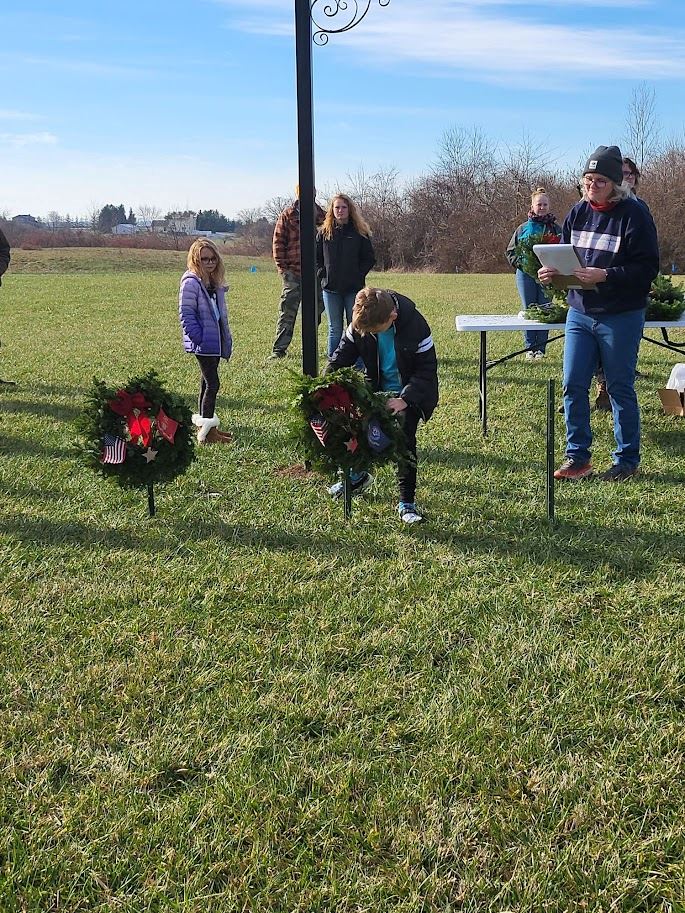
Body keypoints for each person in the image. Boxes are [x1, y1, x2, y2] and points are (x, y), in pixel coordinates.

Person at [538, 145, 659, 482]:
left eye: (600, 180)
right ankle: (577, 458)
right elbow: (568, 257)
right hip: (579, 311)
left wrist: (606, 275)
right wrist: (553, 274)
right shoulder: (577, 212)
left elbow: (648, 267)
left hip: (620, 314)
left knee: (620, 386)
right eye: (588, 179)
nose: (592, 186)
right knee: (572, 384)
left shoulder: (634, 215)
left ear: (616, 184)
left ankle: (626, 461)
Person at [325, 287, 438, 523]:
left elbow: (426, 371)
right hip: (374, 389)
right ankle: (356, 477)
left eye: (374, 332)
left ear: (392, 317)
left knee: (404, 445)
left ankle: (407, 503)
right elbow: (340, 359)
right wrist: (322, 387)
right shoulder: (361, 322)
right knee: (359, 433)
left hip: (409, 394)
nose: (367, 334)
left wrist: (404, 400)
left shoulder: (416, 326)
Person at [594, 156, 649, 410]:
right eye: (622, 173)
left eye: (630, 174)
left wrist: (608, 275)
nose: (626, 178)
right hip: (593, 302)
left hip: (626, 302)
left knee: (621, 379)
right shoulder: (588, 209)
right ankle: (601, 384)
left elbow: (645, 262)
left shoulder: (638, 210)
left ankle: (627, 449)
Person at [178, 239, 233, 444]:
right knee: (213, 383)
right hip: (204, 342)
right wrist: (198, 338)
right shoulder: (191, 283)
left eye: (213, 259)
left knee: (205, 382)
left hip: (215, 339)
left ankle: (207, 427)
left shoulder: (212, 283)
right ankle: (207, 432)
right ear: (195, 260)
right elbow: (186, 314)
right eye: (204, 259)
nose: (209, 263)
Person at [506, 187, 563, 360]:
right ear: (532, 206)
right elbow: (510, 252)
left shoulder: (556, 229)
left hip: (549, 275)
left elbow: (564, 250)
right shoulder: (522, 229)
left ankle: (541, 350)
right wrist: (525, 266)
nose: (542, 207)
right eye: (539, 204)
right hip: (526, 275)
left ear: (549, 206)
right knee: (530, 310)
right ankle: (530, 349)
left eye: (545, 204)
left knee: (545, 310)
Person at [268, 187, 325, 360]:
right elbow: (278, 242)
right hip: (293, 272)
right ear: (298, 194)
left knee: (317, 309)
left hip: (316, 273)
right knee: (287, 311)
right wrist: (283, 269)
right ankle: (279, 350)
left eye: (311, 192)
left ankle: (310, 345)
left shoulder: (322, 216)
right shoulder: (288, 215)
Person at [316, 193, 376, 357]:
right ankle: (333, 363)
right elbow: (316, 259)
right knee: (334, 328)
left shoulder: (359, 232)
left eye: (344, 207)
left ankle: (357, 363)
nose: (340, 210)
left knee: (355, 325)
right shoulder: (324, 233)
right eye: (337, 207)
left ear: (350, 210)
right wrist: (323, 274)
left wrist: (358, 274)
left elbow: (369, 258)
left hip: (353, 289)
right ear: (332, 210)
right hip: (330, 289)